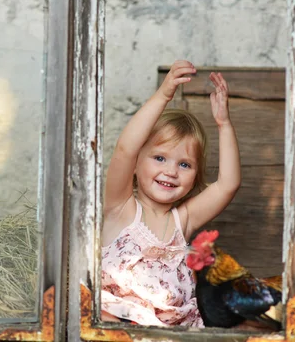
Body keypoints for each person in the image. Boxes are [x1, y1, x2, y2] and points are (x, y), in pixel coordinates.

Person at [101, 60, 241, 327]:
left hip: (170, 331)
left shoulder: (182, 219)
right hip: (119, 326)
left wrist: (224, 124)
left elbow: (228, 184)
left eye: (184, 164)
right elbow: (125, 149)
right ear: (135, 165)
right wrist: (164, 95)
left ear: (195, 177)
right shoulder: (121, 207)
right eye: (159, 158)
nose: (171, 171)